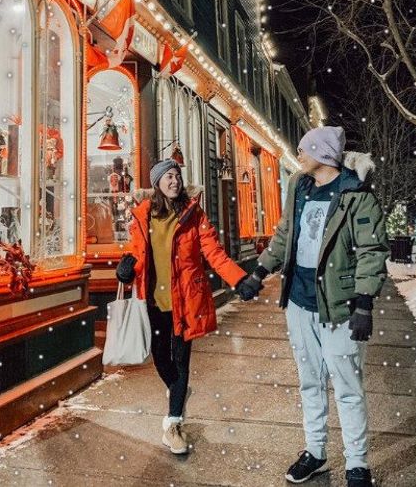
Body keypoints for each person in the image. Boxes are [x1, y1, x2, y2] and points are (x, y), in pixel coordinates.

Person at [235, 125, 386, 487]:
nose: (299, 155)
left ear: (323, 154)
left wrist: (363, 304)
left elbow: (371, 251)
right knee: (310, 382)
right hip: (300, 303)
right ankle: (316, 452)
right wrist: (259, 272)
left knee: (347, 386)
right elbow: (286, 233)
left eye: (304, 150)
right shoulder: (299, 187)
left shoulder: (355, 194)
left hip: (339, 306)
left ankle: (357, 464)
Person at [115, 159, 253, 455]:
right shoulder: (143, 215)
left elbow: (214, 253)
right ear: (157, 183)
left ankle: (173, 424)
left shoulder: (194, 215)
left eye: (177, 176)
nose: (174, 181)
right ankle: (178, 389)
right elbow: (135, 251)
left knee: (180, 362)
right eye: (168, 176)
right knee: (160, 358)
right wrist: (126, 267)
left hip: (185, 301)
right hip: (153, 302)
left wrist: (238, 280)